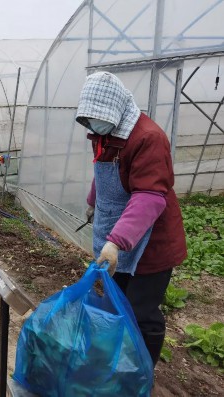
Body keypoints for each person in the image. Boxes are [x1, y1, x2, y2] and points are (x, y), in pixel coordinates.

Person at [75, 72, 187, 367]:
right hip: (121, 238)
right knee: (118, 302)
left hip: (151, 243)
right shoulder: (104, 135)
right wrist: (92, 202)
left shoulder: (148, 138)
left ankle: (143, 370)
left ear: (115, 109)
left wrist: (116, 242)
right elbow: (102, 172)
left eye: (96, 118)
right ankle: (121, 362)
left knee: (141, 311)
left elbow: (150, 197)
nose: (92, 124)